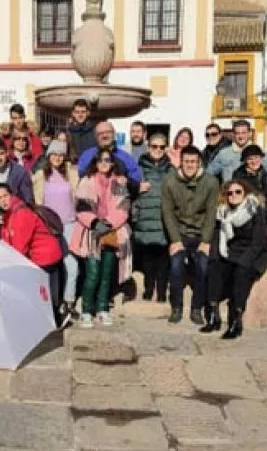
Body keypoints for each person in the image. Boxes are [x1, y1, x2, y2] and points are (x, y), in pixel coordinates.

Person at [70, 148, 132, 328]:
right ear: (95, 163)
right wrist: (95, 222)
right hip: (91, 234)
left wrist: (110, 223)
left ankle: (102, 308)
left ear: (113, 163)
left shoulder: (119, 182)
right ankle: (87, 310)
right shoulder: (87, 181)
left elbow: (123, 206)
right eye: (100, 160)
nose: (104, 163)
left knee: (106, 274)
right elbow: (81, 207)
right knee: (93, 274)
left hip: (112, 233)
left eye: (107, 160)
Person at [202, 180, 267, 339]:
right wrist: (215, 256)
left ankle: (236, 320)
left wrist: (244, 261)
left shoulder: (255, 210)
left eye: (238, 192)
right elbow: (216, 237)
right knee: (214, 267)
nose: (234, 195)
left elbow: (259, 241)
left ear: (245, 193)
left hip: (254, 253)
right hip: (231, 252)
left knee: (241, 273)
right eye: (230, 193)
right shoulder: (222, 212)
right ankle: (213, 314)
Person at [162, 145, 219, 325]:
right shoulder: (170, 181)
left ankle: (196, 308)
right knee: (176, 267)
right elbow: (167, 212)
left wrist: (206, 240)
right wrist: (175, 240)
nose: (190, 165)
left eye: (193, 161)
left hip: (200, 233)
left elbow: (211, 212)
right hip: (179, 232)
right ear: (180, 162)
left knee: (203, 267)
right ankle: (176, 307)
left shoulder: (210, 182)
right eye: (186, 161)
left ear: (199, 162)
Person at [0, 183, 64, 316]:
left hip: (45, 256)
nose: (3, 200)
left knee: (43, 293)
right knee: (43, 292)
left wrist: (7, 263)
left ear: (12, 194)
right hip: (38, 256)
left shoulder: (21, 213)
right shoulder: (9, 213)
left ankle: (53, 318)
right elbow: (7, 238)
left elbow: (20, 246)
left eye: (5, 196)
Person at [32, 140, 80, 326]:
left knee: (71, 266)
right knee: (50, 267)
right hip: (48, 226)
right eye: (54, 154)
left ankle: (68, 302)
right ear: (48, 156)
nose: (57, 158)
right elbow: (37, 202)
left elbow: (80, 194)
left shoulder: (71, 173)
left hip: (69, 224)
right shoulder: (40, 175)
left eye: (61, 154)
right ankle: (49, 303)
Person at [132, 134, 173, 302]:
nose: (158, 150)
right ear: (148, 147)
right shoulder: (138, 168)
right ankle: (149, 288)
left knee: (163, 258)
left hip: (164, 218)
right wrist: (136, 187)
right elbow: (122, 189)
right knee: (148, 258)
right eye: (154, 146)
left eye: (161, 147)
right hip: (146, 218)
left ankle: (162, 290)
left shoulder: (171, 169)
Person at [0, 140, 34, 238]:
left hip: (12, 223)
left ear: (7, 153)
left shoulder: (20, 172)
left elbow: (27, 199)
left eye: (1, 153)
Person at [77, 121, 142, 188]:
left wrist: (126, 181)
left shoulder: (125, 157)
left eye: (108, 132)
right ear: (96, 137)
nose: (105, 135)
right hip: (94, 194)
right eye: (101, 133)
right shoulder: (87, 155)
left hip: (118, 193)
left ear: (114, 134)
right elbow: (81, 175)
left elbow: (136, 178)